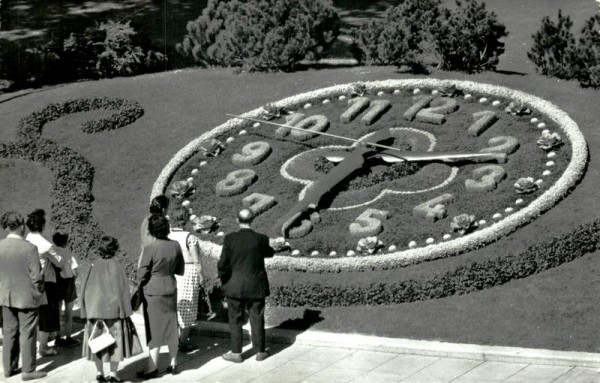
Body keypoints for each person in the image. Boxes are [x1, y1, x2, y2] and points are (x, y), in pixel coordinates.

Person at [80, 235, 142, 383]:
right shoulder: (116, 266)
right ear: (115, 248)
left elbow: (83, 289)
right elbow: (122, 291)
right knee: (115, 343)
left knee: (96, 342)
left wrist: (85, 310)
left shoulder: (92, 265)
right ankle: (113, 374)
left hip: (94, 311)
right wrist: (126, 311)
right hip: (113, 312)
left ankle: (99, 373)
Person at [218, 209, 275, 363]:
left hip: (235, 286)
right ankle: (261, 351)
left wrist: (224, 281)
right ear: (253, 219)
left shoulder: (230, 239)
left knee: (235, 319)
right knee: (257, 316)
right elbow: (269, 253)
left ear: (238, 220)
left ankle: (236, 353)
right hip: (256, 286)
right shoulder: (261, 238)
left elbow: (223, 264)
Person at [0, 211, 47, 380]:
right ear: (21, 226)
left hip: (5, 296)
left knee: (9, 332)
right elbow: (37, 277)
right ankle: (28, 370)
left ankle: (9, 368)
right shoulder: (30, 249)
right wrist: (39, 292)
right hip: (27, 298)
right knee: (27, 333)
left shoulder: (0, 245)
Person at [137, 215, 184, 378]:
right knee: (172, 326)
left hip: (153, 291)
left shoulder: (150, 248)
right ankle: (173, 363)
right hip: (170, 287)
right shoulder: (175, 245)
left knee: (154, 329)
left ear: (151, 229)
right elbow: (180, 269)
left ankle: (152, 367)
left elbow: (141, 274)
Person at [25, 209, 63, 357]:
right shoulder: (46, 245)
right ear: (42, 226)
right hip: (47, 282)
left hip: (30, 279)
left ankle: (39, 341)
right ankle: (44, 346)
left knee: (35, 313)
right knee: (48, 314)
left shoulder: (27, 238)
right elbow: (59, 262)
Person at [167, 206, 204, 352]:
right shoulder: (190, 237)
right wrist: (202, 276)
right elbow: (197, 261)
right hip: (188, 272)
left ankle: (174, 339)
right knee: (188, 307)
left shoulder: (167, 236)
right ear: (186, 219)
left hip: (171, 272)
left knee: (174, 305)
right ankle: (183, 342)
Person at [53, 231, 80, 348]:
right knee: (69, 312)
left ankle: (57, 336)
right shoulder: (68, 253)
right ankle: (68, 337)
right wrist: (73, 280)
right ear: (66, 242)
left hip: (57, 282)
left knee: (57, 311)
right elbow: (75, 272)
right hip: (68, 282)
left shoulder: (52, 253)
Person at [138, 194, 169, 268]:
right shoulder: (161, 222)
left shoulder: (146, 219)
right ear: (163, 209)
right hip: (155, 261)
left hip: (143, 258)